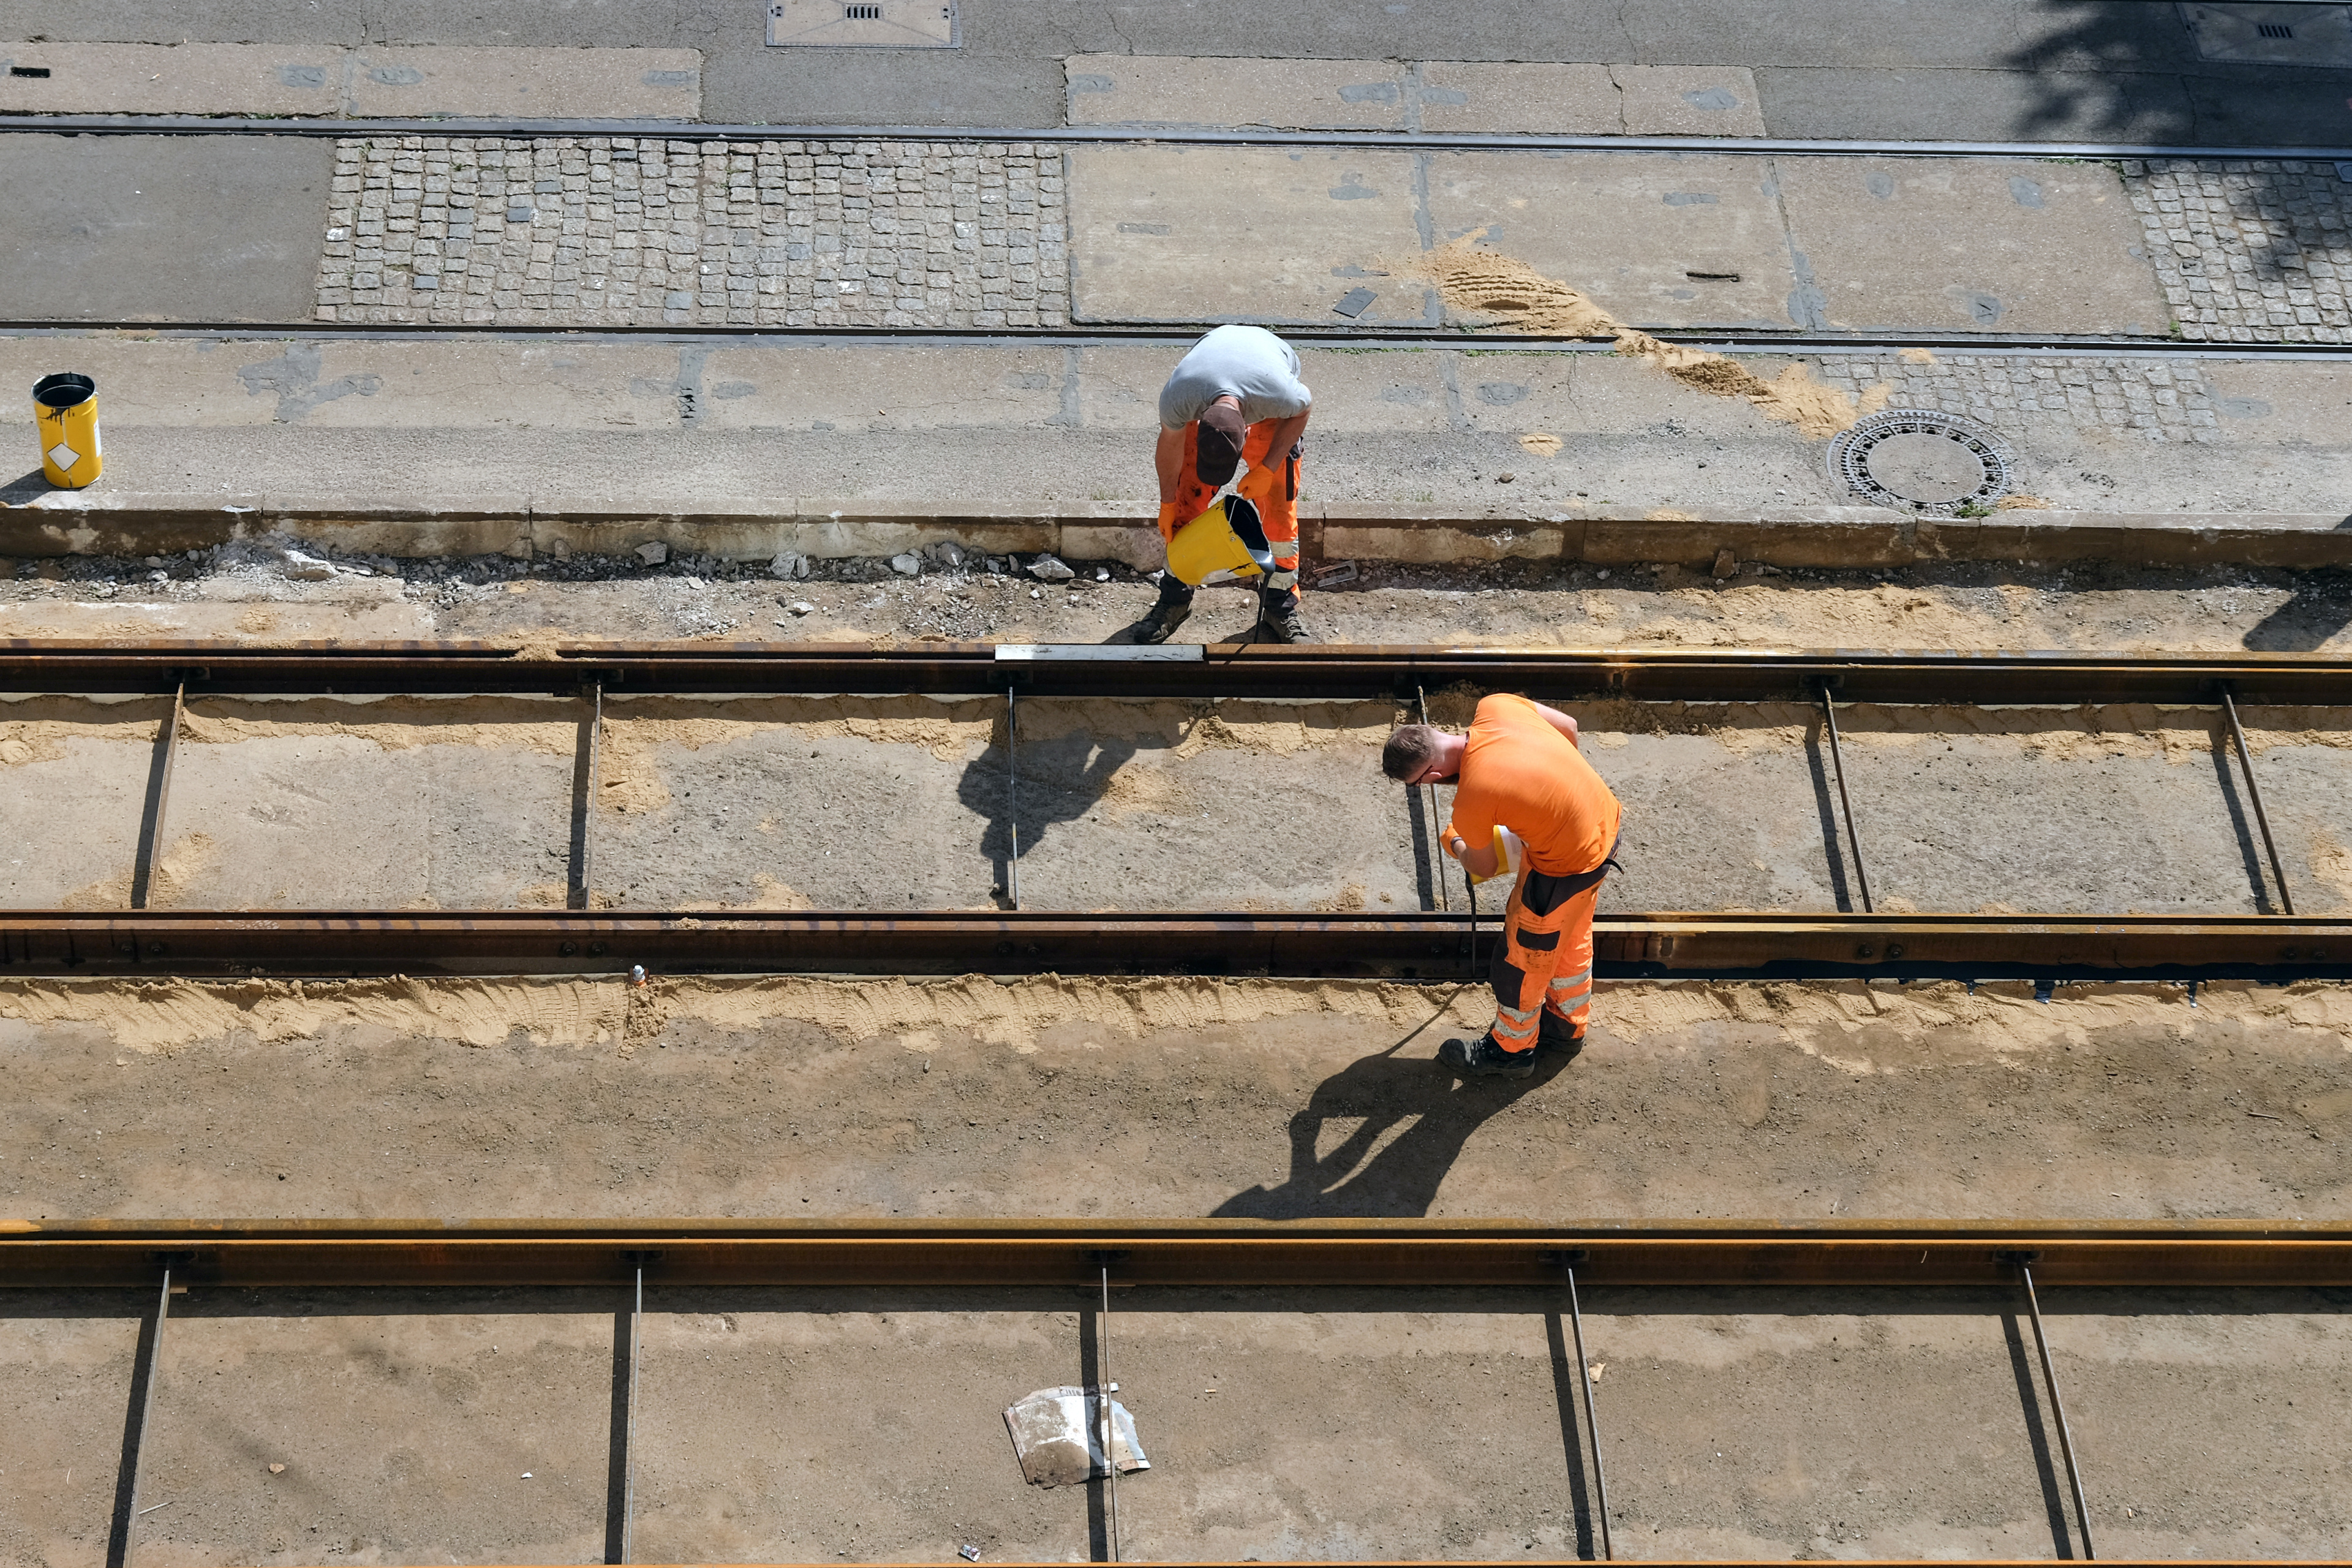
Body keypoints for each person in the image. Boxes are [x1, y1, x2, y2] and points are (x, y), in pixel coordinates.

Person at [1382, 695, 1623, 1079]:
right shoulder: (1495, 706)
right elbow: (1570, 727)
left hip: (1563, 867)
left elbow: (1485, 864)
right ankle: (1565, 1029)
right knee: (1571, 937)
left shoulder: (1473, 799)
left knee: (1523, 962)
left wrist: (1456, 841)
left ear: (1429, 776)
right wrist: (1553, 802)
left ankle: (1511, 1052)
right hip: (1603, 829)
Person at [1137, 323, 1313, 645]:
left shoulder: (1280, 395)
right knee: (1184, 507)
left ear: (1247, 432)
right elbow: (1170, 446)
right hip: (1212, 385)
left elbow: (1303, 411)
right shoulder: (1180, 398)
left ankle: (1279, 608)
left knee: (1279, 517)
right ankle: (1174, 599)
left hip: (1269, 406)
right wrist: (1167, 503)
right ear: (1198, 423)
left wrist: (1267, 468)